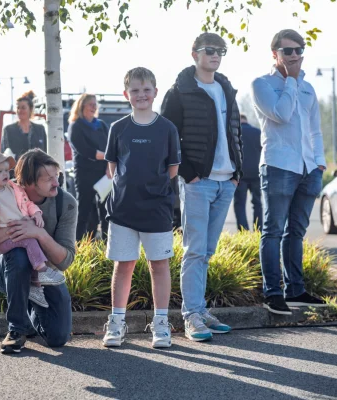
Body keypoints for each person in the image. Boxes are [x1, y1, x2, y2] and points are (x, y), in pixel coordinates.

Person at [161, 32, 243, 342]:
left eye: (221, 50)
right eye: (210, 50)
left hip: (227, 181)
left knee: (206, 252)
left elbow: (233, 132)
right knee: (194, 251)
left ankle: (200, 308)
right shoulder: (180, 91)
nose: (216, 55)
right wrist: (189, 173)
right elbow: (168, 137)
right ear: (195, 53)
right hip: (199, 184)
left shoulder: (225, 88)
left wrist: (238, 170)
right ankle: (191, 316)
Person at [0, 149, 78, 354]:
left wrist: (38, 233)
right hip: (8, 269)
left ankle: (29, 304)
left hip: (45, 274)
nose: (56, 183)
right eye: (49, 179)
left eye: (57, 177)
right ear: (29, 183)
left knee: (58, 337)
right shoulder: (2, 191)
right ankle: (16, 330)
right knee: (18, 255)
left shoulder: (65, 202)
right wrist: (13, 230)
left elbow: (65, 261)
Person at [102, 67, 180, 349]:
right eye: (135, 90)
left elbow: (173, 169)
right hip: (123, 210)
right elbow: (112, 168)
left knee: (159, 265)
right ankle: (117, 323)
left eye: (146, 89)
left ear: (155, 92)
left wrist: (152, 189)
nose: (141, 95)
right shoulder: (118, 128)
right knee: (124, 265)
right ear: (127, 95)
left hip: (157, 210)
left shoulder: (167, 128)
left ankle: (160, 325)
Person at [251, 29, 327, 315]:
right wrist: (291, 81)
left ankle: (296, 290)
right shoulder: (262, 84)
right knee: (272, 231)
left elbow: (315, 129)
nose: (295, 55)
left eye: (299, 49)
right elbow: (281, 114)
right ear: (275, 54)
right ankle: (273, 293)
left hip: (309, 168)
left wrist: (319, 163)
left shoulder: (309, 87)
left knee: (296, 232)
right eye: (288, 51)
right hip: (279, 165)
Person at [0, 151, 66, 309]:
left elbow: (27, 203)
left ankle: (35, 286)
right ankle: (42, 270)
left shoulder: (13, 188)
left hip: (21, 233)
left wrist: (36, 212)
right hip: (3, 242)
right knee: (29, 240)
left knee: (32, 240)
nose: (5, 174)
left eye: (6, 170)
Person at [68, 93, 110, 242]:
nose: (94, 107)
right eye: (90, 104)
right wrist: (106, 156)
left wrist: (108, 167)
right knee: (83, 212)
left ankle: (107, 244)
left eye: (95, 104)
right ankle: (77, 245)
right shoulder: (76, 126)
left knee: (106, 210)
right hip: (85, 174)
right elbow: (84, 150)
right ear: (82, 106)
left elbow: (111, 147)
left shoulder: (102, 126)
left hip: (104, 174)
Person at [233, 114, 263, 231]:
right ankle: (259, 230)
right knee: (257, 203)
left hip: (241, 174)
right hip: (256, 173)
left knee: (240, 204)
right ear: (247, 120)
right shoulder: (257, 132)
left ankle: (243, 231)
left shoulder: (235, 133)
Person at [0, 90, 47, 160]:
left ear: (30, 109)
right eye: (18, 108)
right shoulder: (8, 130)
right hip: (17, 169)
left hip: (37, 168)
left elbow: (45, 152)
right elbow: (4, 154)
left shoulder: (40, 129)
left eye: (23, 108)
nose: (19, 111)